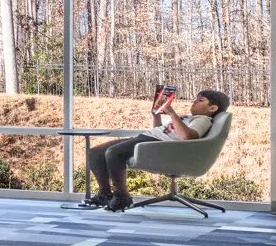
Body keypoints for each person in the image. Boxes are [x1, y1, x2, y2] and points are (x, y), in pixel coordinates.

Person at [83, 87, 230, 210]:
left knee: (114, 153)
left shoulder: (202, 120)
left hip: (156, 144)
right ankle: (105, 194)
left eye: (200, 100)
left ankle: (122, 196)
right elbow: (160, 131)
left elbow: (188, 137)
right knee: (95, 153)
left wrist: (171, 113)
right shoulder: (188, 118)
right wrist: (156, 115)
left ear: (213, 108)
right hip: (149, 139)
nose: (194, 102)